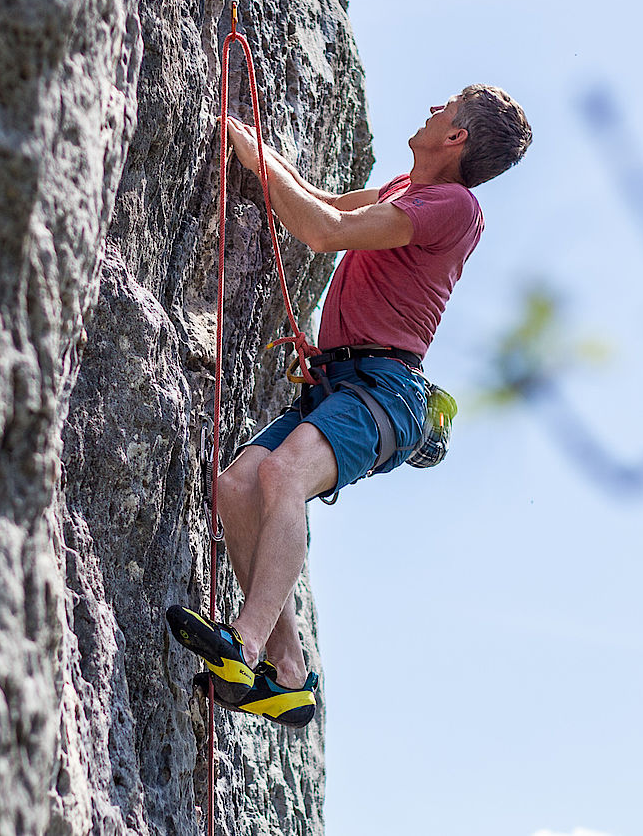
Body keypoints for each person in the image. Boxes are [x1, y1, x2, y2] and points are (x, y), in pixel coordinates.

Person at [167, 84, 531, 727]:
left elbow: (322, 232)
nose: (429, 109)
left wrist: (252, 156)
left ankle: (244, 644)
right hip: (343, 385)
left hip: (384, 391)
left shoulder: (454, 206)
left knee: (283, 474)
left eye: (442, 109)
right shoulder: (403, 189)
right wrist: (257, 149)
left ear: (456, 139)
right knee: (237, 485)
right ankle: (287, 676)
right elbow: (329, 203)